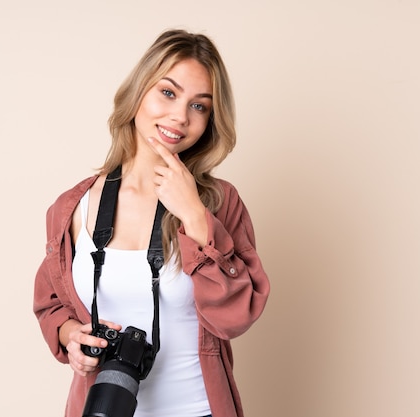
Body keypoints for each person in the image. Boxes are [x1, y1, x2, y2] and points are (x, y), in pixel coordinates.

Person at [33, 29, 270, 417]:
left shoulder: (219, 203)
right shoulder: (72, 207)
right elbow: (51, 305)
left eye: (200, 106)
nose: (180, 116)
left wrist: (194, 214)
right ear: (139, 91)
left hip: (199, 409)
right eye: (168, 92)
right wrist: (71, 336)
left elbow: (237, 314)